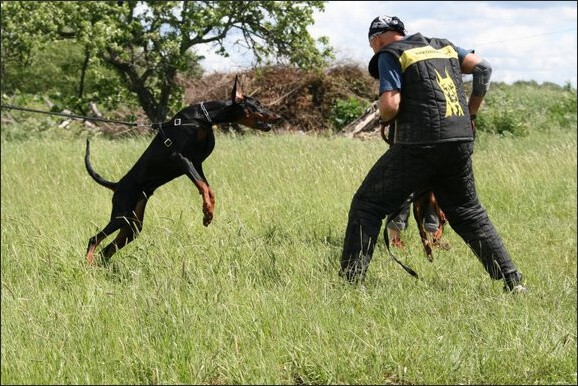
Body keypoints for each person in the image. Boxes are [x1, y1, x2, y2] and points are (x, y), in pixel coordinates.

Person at [339, 15, 526, 292]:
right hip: (460, 138)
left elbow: (390, 105)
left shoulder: (389, 53)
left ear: (376, 40)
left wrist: (385, 116)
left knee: (367, 204)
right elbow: (483, 69)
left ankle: (350, 284)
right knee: (467, 212)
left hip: (421, 144)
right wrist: (471, 111)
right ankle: (512, 280)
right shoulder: (444, 46)